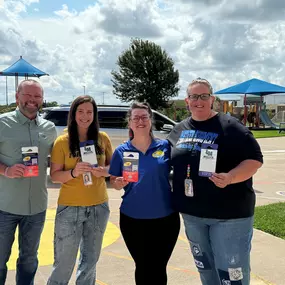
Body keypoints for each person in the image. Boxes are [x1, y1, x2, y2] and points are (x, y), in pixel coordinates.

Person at [167, 78, 263, 285]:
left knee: (231, 275)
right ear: (187, 101)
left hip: (229, 216)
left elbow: (254, 160)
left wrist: (231, 177)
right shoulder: (179, 130)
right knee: (206, 270)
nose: (198, 101)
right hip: (193, 215)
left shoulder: (231, 127)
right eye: (194, 96)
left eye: (203, 96)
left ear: (212, 99)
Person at [109, 102, 180, 285]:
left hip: (165, 218)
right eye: (136, 118)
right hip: (133, 219)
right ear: (130, 123)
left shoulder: (165, 147)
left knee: (158, 267)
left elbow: (183, 170)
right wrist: (117, 183)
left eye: (144, 117)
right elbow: (114, 182)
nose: (140, 121)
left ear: (150, 120)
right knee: (143, 266)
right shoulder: (122, 151)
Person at [47, 95, 112, 285]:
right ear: (73, 114)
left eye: (89, 112)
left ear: (94, 115)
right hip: (70, 208)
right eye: (81, 111)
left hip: (99, 206)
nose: (85, 116)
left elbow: (113, 168)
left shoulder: (102, 139)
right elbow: (55, 176)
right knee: (63, 264)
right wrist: (74, 172)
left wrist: (103, 172)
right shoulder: (62, 142)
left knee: (90, 262)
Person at [0, 79, 57, 285]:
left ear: (42, 100)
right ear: (17, 97)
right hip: (5, 207)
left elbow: (59, 160)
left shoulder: (49, 128)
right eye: (28, 95)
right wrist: (6, 170)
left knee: (29, 260)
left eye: (37, 96)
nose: (32, 100)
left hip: (36, 208)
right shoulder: (2, 123)